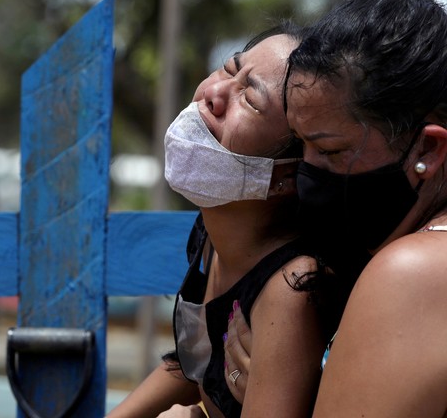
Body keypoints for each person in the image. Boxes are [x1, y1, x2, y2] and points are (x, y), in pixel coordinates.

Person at [108, 23, 356, 418]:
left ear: (288, 173)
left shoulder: (291, 288)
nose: (214, 93)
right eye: (228, 69)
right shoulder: (212, 233)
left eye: (251, 99)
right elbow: (193, 362)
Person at [224, 0, 447, 416]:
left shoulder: (410, 271)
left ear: (429, 148)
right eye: (300, 144)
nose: (307, 174)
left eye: (330, 150)